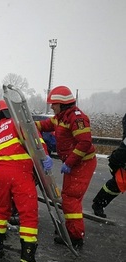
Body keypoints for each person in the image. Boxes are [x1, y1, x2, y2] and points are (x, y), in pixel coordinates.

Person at [0, 99, 52, 262]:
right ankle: (27, 261)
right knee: (28, 215)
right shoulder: (19, 124)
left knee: (1, 210)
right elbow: (37, 144)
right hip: (20, 172)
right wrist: (45, 158)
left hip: (0, 176)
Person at [35, 86, 97, 248]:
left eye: (54, 104)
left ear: (62, 104)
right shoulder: (60, 118)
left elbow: (84, 142)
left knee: (71, 198)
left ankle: (75, 237)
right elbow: (44, 125)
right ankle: (71, 229)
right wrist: (25, 124)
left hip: (82, 163)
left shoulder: (76, 119)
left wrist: (69, 162)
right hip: (74, 163)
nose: (52, 107)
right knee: (70, 197)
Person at [91, 113, 126, 218]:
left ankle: (99, 204)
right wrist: (116, 160)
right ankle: (98, 204)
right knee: (118, 183)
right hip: (121, 157)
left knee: (118, 183)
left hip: (121, 156)